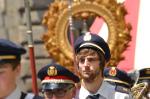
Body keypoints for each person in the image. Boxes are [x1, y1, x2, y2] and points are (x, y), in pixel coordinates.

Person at [74, 32, 131, 99]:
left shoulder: (121, 96)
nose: (86, 65)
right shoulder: (71, 96)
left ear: (103, 63)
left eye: (91, 60)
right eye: (82, 60)